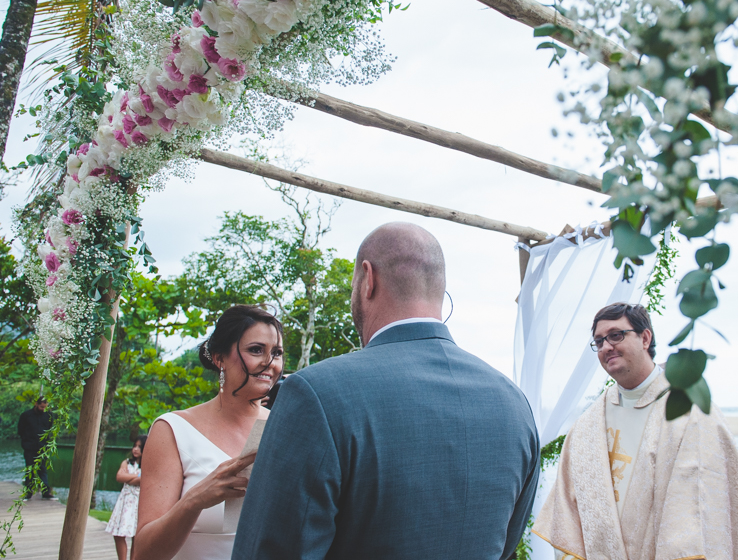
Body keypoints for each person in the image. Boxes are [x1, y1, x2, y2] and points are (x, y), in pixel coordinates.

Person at [233, 222, 540, 560]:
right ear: (438, 287)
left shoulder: (315, 394)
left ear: (368, 280)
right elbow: (507, 544)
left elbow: (271, 551)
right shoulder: (513, 404)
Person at [533, 303, 738, 560]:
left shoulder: (690, 411)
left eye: (616, 335)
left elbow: (705, 507)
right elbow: (569, 513)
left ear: (645, 338)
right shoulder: (586, 426)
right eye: (599, 341)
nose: (606, 347)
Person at [136, 305, 284, 560]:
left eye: (277, 353)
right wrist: (195, 500)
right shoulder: (173, 430)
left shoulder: (285, 427)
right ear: (219, 358)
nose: (269, 363)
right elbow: (143, 554)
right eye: (256, 350)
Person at [106, 435, 148, 560]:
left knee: (136, 534)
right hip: (124, 501)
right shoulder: (127, 462)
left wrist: (129, 477)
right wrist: (135, 476)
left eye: (139, 447)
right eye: (134, 446)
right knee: (119, 533)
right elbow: (119, 477)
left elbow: (143, 480)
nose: (135, 449)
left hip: (138, 501)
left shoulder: (147, 465)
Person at [17, 396, 54, 499]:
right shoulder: (26, 416)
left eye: (44, 407)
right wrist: (26, 442)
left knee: (42, 469)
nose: (43, 409)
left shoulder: (48, 415)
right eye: (41, 407)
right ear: (36, 404)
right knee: (30, 470)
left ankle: (46, 492)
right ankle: (28, 492)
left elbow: (49, 428)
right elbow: (20, 430)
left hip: (42, 447)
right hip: (30, 447)